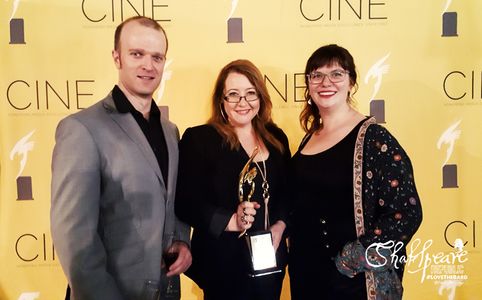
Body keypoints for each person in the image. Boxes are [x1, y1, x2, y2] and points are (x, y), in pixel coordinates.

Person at [50, 16, 191, 300]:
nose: (148, 66)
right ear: (117, 57)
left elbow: (169, 200)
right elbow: (75, 239)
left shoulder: (170, 130)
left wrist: (180, 241)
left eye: (157, 57)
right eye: (136, 54)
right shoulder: (82, 129)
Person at [288, 44, 423, 300]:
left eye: (337, 74)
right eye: (317, 75)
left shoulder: (374, 139)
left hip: (354, 281)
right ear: (308, 84)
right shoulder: (309, 139)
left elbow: (407, 211)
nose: (326, 82)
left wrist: (353, 257)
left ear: (351, 82)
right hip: (306, 275)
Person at [175, 59, 290, 300]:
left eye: (250, 94)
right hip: (224, 264)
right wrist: (230, 221)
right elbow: (185, 201)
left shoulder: (276, 138)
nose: (243, 103)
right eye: (233, 95)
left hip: (269, 260)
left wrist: (280, 225)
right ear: (221, 101)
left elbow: (289, 192)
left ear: (260, 97)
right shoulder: (200, 139)